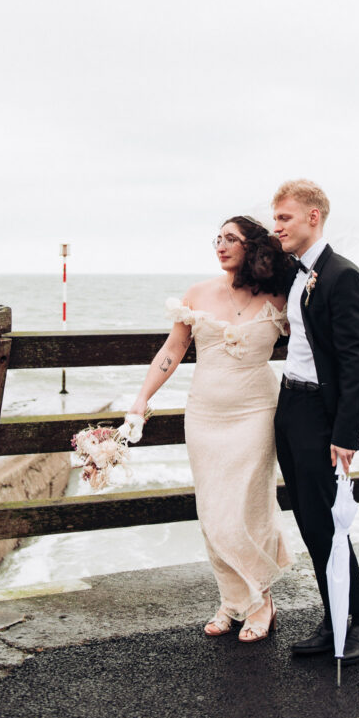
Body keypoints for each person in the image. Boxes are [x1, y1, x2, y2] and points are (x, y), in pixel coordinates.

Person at [272, 178, 359, 667]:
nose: (278, 227)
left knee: (330, 521)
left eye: (285, 218)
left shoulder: (342, 275)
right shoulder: (297, 273)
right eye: (276, 218)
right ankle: (334, 618)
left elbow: (354, 362)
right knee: (309, 520)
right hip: (288, 406)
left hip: (319, 413)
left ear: (313, 217)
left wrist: (345, 434)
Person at [129, 216, 293, 642]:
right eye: (217, 238)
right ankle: (230, 600)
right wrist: (141, 399)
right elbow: (174, 348)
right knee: (214, 513)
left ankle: (260, 603)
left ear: (252, 247)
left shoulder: (280, 294)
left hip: (256, 412)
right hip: (205, 415)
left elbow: (320, 333)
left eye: (231, 239)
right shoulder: (198, 294)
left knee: (250, 509)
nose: (220, 245)